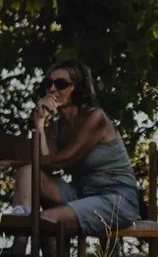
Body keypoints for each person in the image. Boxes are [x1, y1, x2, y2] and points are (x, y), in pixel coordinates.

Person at [16, 59, 140, 246]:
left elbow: (61, 160)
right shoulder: (58, 127)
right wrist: (40, 123)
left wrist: (10, 161)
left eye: (61, 84)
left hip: (116, 200)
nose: (52, 89)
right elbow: (43, 159)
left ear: (79, 89)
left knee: (46, 218)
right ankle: (19, 248)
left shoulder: (95, 117)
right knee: (28, 172)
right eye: (48, 83)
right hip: (83, 194)